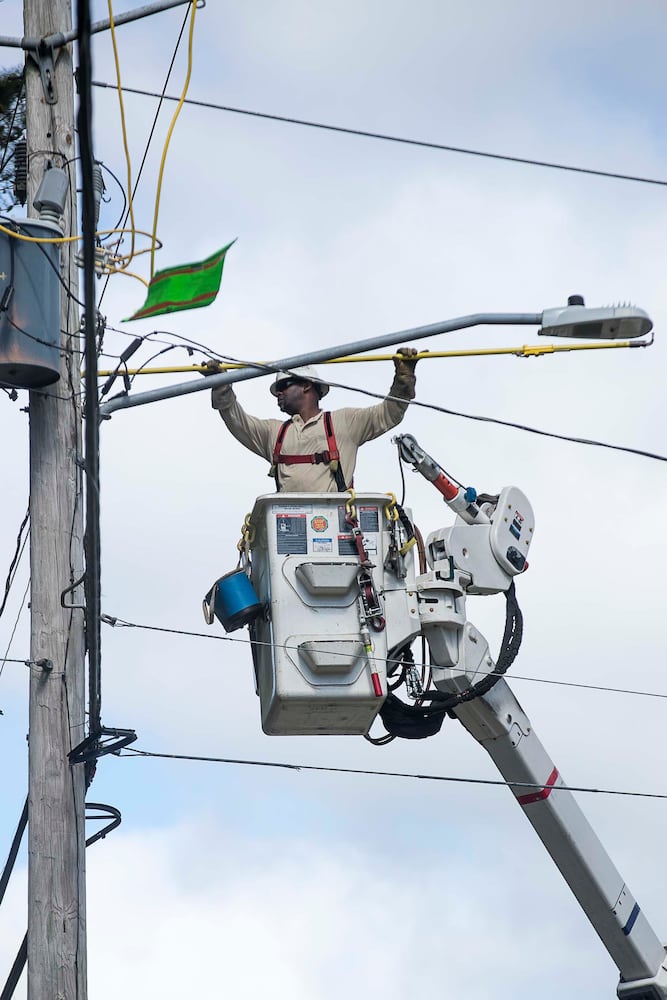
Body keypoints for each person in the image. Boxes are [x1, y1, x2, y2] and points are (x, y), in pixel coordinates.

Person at [208, 348, 419, 492]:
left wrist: (403, 380)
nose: (278, 394)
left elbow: (389, 412)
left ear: (306, 385)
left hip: (337, 530)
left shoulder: (344, 423)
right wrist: (221, 387)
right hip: (289, 539)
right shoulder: (275, 433)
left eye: (284, 387)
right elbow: (237, 421)